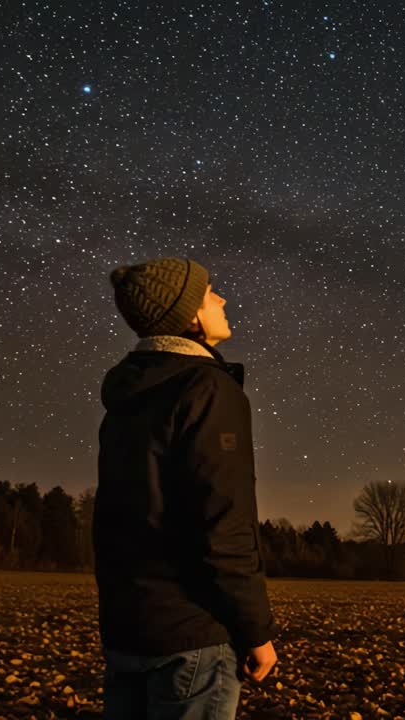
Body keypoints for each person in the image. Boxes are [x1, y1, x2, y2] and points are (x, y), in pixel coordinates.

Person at [96, 257, 278, 719]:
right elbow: (223, 521)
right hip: (194, 636)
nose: (222, 298)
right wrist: (256, 631)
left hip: (129, 630)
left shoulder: (129, 397)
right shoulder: (208, 389)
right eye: (211, 291)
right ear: (191, 317)